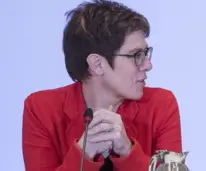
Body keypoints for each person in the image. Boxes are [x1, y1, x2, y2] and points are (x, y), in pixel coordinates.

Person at [21, 0, 182, 171]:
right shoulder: (41, 109)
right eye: (136, 55)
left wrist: (127, 150)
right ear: (97, 64)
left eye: (145, 53)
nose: (148, 65)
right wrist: (84, 153)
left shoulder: (162, 104)